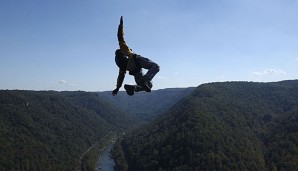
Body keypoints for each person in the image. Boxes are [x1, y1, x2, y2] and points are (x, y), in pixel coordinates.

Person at [112, 16, 160, 96]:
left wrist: (117, 88)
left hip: (135, 71)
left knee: (149, 86)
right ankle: (143, 81)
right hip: (136, 61)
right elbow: (120, 38)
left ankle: (133, 88)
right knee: (156, 67)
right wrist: (121, 26)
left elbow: (121, 77)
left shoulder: (121, 66)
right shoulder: (124, 49)